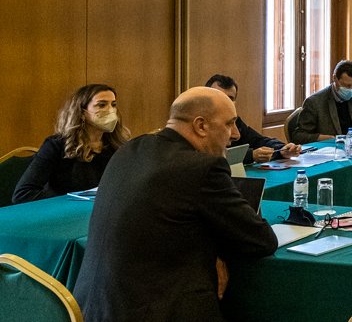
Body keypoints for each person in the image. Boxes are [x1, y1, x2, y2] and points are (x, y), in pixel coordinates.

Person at [74, 87, 278, 322]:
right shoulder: (201, 168)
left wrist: (215, 252)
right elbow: (261, 241)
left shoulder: (129, 149)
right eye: (229, 124)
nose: (236, 134)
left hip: (92, 309)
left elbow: (167, 225)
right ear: (201, 126)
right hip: (154, 311)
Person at [13, 83, 129, 203]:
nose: (110, 110)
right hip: (67, 210)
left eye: (113, 105)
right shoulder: (56, 145)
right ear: (82, 112)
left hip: (105, 209)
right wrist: (72, 200)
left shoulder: (118, 146)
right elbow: (23, 193)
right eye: (102, 105)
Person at [205, 74, 302, 163]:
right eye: (221, 97)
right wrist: (250, 156)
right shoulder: (204, 123)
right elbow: (212, 159)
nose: (236, 135)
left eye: (230, 98)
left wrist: (281, 150)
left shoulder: (236, 121)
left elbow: (258, 140)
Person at [290, 60, 352, 143]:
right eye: (346, 85)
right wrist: (320, 138)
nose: (350, 90)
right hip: (330, 148)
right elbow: (298, 136)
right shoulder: (314, 102)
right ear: (335, 78)